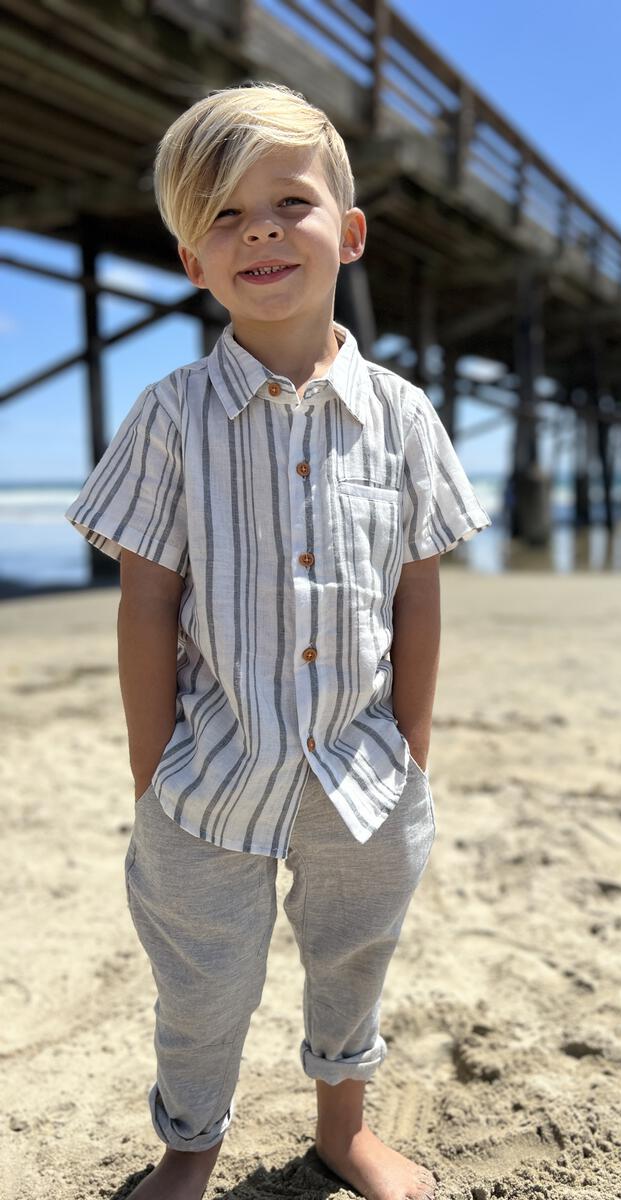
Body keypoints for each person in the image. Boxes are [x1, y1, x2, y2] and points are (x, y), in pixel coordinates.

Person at [64, 80, 491, 1200]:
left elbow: (417, 588)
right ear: (192, 263)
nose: (258, 227)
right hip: (211, 769)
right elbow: (147, 602)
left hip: (363, 767)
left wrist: (415, 739)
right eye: (221, 215)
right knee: (201, 979)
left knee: (352, 959)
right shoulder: (170, 415)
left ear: (347, 235)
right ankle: (190, 1146)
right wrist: (150, 764)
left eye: (289, 202)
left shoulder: (402, 415)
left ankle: (344, 1130)